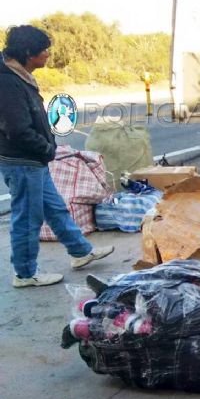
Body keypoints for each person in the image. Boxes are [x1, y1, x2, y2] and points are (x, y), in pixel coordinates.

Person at [0, 25, 114, 288]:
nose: (48, 55)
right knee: (27, 219)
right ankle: (25, 274)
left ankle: (80, 251)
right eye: (45, 51)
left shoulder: (19, 74)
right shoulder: (7, 82)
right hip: (23, 162)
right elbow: (17, 130)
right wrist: (46, 148)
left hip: (34, 161)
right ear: (29, 52)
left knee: (55, 208)